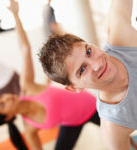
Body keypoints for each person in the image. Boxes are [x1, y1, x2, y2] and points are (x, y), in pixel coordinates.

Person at [0, 0, 100, 150]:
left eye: (1, 97)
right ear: (8, 117)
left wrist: (15, 14)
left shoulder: (26, 87)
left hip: (92, 107)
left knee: (122, 130)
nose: (6, 97)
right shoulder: (30, 128)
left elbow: (25, 49)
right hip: (72, 123)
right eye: (2, 104)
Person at [39, 0, 137, 149]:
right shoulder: (114, 125)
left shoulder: (122, 39)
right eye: (82, 70)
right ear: (74, 88)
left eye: (89, 51)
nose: (97, 64)